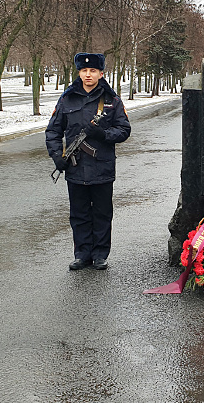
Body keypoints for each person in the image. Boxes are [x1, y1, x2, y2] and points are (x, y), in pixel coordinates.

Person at [45, 53, 131, 271]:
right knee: (79, 213)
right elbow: (53, 130)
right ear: (79, 73)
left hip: (102, 166)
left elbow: (124, 130)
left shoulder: (112, 101)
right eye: (84, 71)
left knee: (102, 213)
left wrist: (103, 134)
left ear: (101, 73)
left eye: (93, 71)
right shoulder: (67, 99)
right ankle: (82, 254)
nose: (88, 75)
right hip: (75, 167)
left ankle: (100, 254)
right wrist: (57, 156)